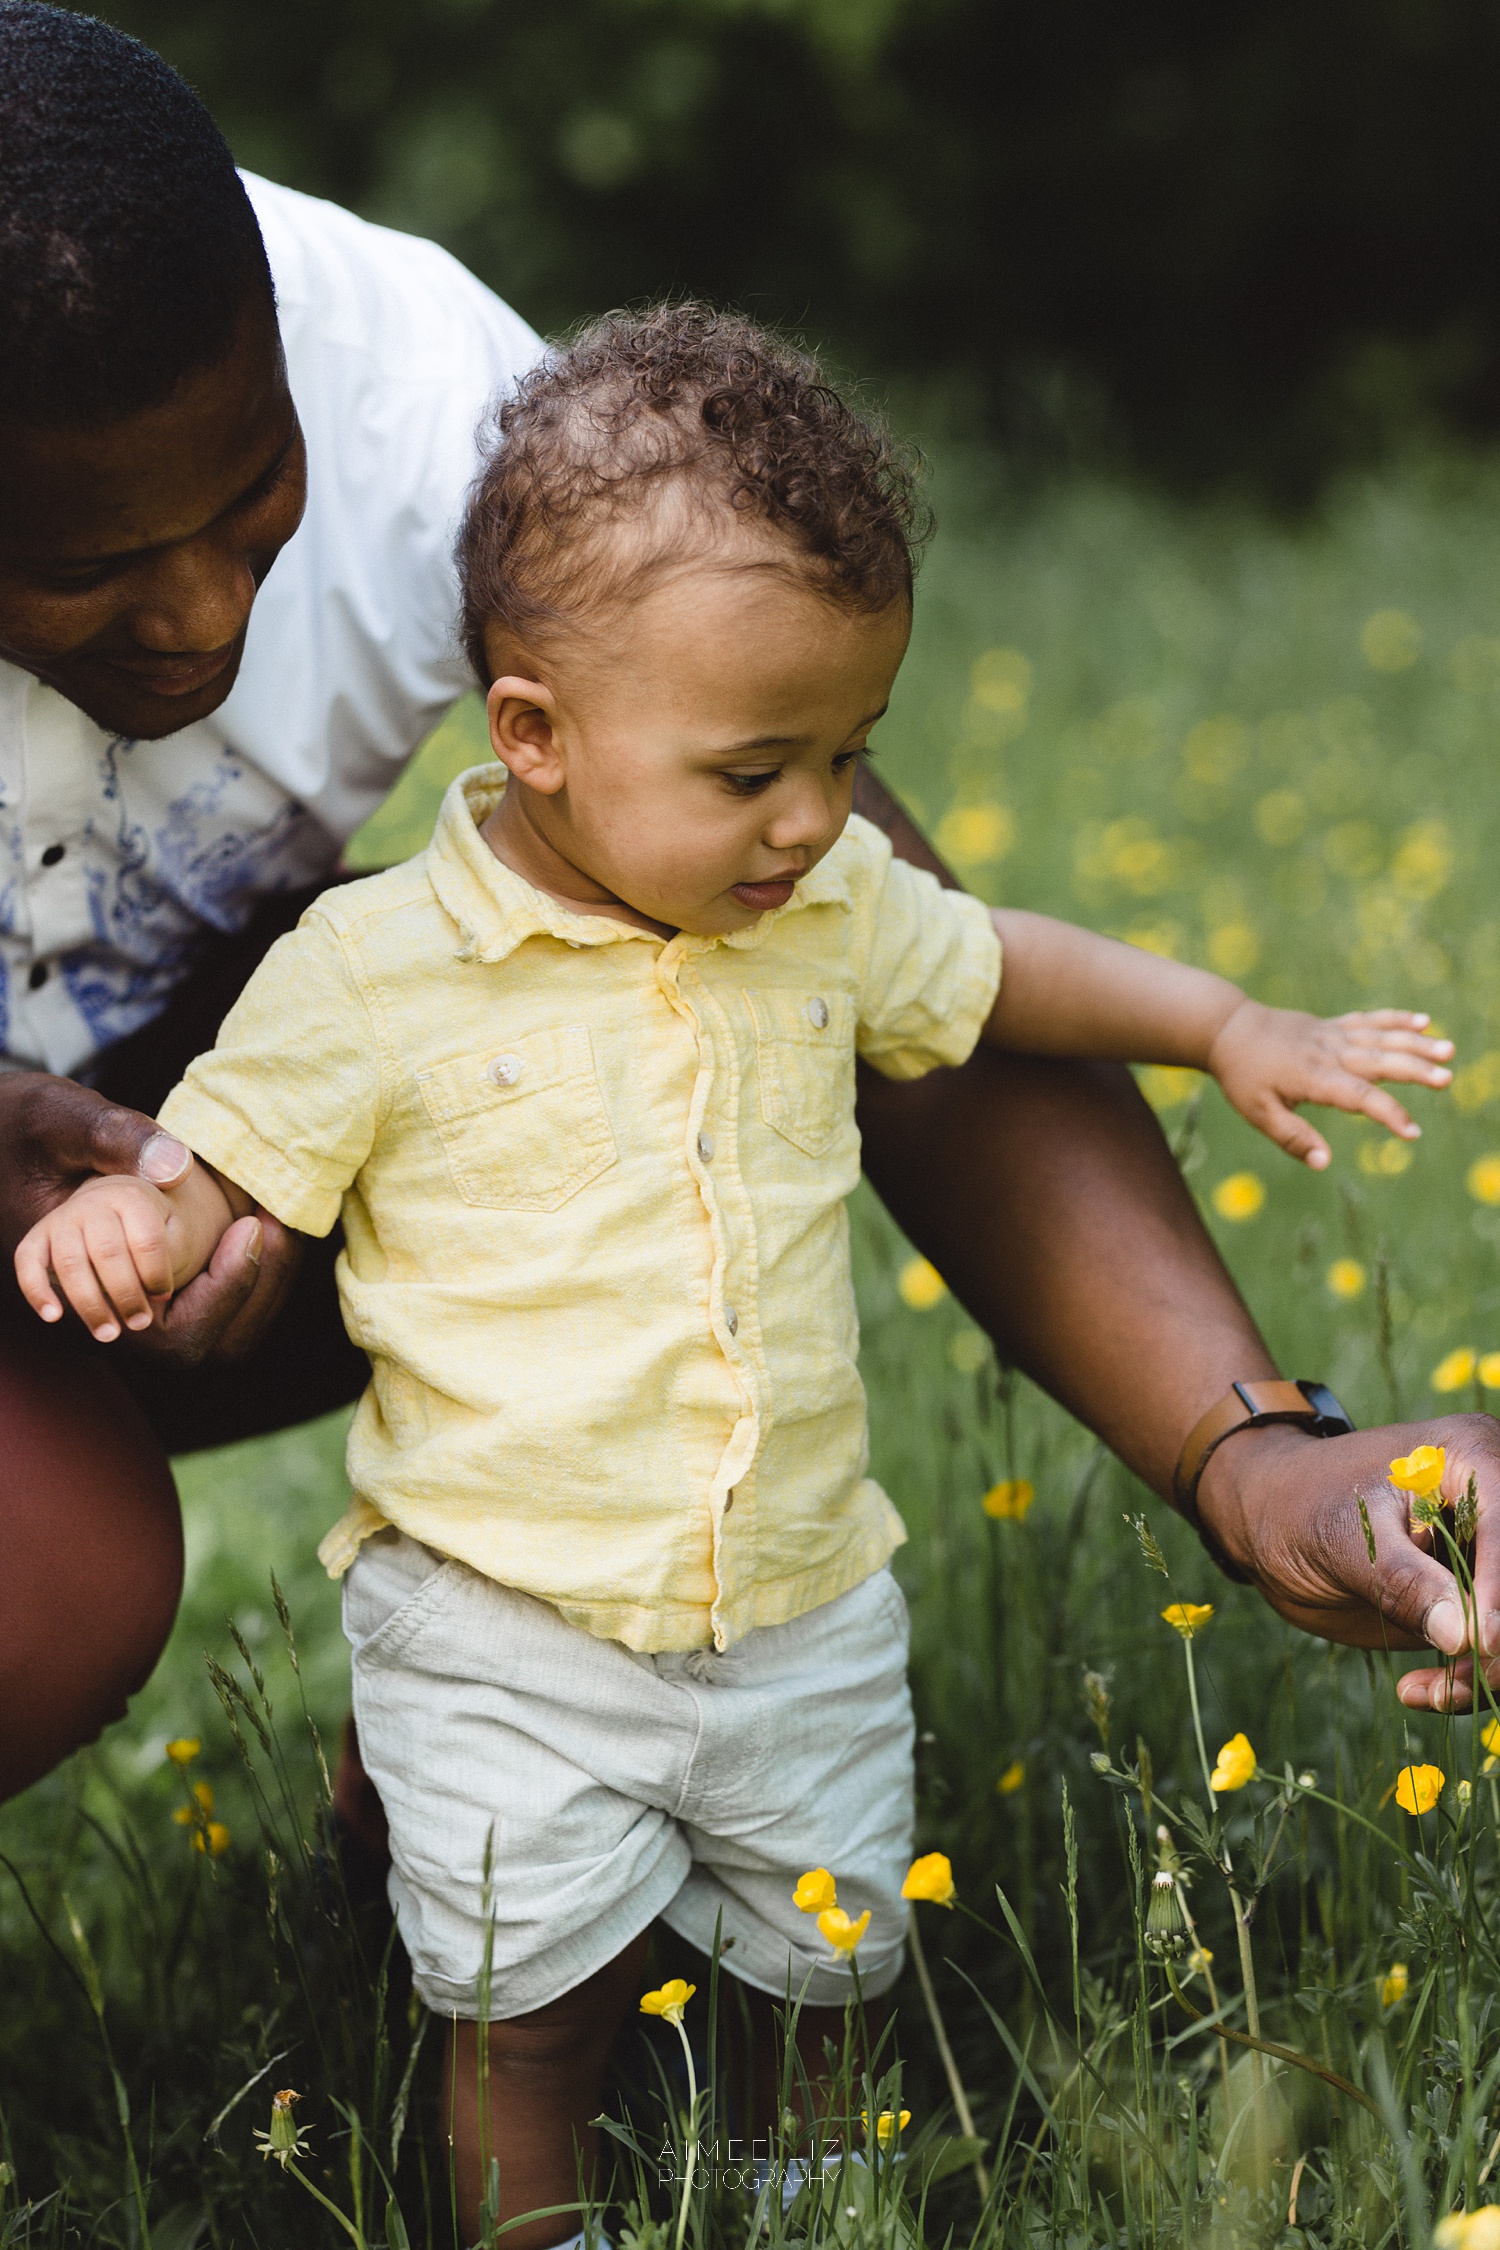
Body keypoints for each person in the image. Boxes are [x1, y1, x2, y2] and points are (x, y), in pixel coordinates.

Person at [12, 306, 1463, 2243]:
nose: (816, 818)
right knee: (523, 2012)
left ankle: (800, 2188)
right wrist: (143, 1217)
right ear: (530, 738)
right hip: (505, 1616)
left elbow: (999, 962)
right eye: (760, 770)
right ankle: (535, 2224)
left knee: (828, 1955)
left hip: (789, 1594)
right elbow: (223, 1153)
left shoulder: (814, 904)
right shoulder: (379, 973)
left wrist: (1226, 1026)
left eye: (848, 754)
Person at [0, 0, 1487, 1831]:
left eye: (252, 506)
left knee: (700, 956)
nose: (206, 620)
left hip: (167, 1144)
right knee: (46, 1587)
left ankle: (514, 1712)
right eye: (85, 570)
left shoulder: (415, 394)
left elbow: (865, 924)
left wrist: (1263, 1458)